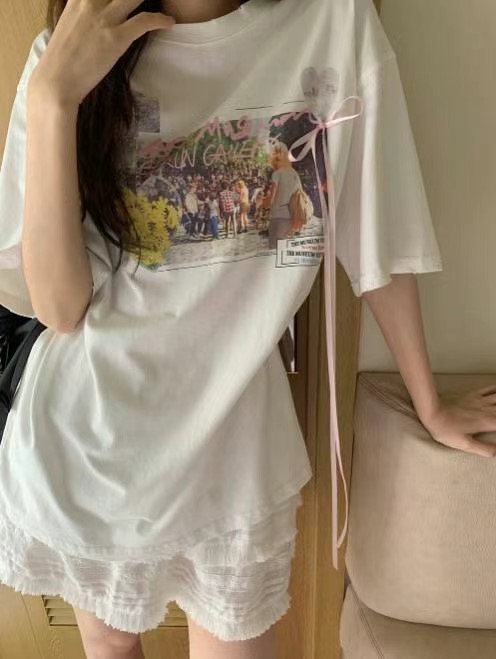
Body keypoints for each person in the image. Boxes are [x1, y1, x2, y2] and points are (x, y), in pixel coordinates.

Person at [1, 1, 496, 659]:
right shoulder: (67, 51)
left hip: (235, 455)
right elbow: (59, 307)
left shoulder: (332, 25)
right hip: (88, 450)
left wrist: (428, 402)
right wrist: (53, 100)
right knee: (112, 643)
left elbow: (378, 230)